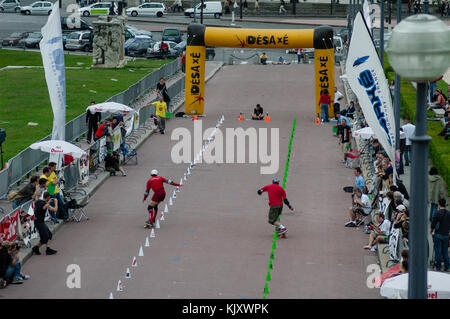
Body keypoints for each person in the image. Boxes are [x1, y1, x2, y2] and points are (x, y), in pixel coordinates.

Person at [430, 199, 449, 272]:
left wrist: (431, 230)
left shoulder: (437, 213)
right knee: (445, 251)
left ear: (439, 204)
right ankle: (447, 267)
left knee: (438, 251)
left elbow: (433, 224)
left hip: (438, 234)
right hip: (446, 234)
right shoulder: (448, 213)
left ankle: (438, 267)